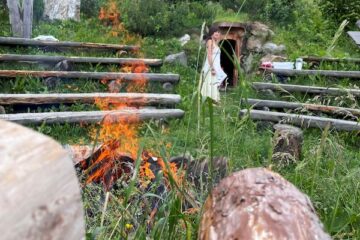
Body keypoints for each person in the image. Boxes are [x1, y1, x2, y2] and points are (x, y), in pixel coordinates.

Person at [200, 26, 227, 103]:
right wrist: (212, 68)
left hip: (215, 65)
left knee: (213, 82)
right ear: (211, 32)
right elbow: (209, 55)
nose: (218, 33)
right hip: (211, 66)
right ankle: (211, 99)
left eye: (218, 32)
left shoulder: (214, 42)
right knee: (210, 81)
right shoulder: (210, 41)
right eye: (216, 32)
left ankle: (212, 99)